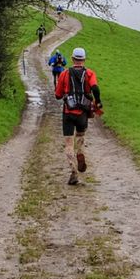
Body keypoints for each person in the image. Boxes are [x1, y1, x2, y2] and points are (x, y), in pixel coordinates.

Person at [54, 47, 102, 185]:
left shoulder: (64, 74)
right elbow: (95, 88)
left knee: (68, 143)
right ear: (84, 59)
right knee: (80, 136)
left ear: (72, 58)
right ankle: (80, 152)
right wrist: (97, 101)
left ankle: (73, 171)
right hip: (82, 113)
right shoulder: (89, 73)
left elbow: (57, 95)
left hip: (68, 112)